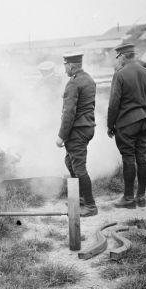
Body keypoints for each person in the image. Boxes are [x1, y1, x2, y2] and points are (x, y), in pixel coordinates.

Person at [107, 43, 146, 208]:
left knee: (128, 159)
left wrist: (110, 125)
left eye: (118, 57)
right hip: (143, 122)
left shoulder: (120, 74)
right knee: (141, 158)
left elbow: (114, 104)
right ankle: (141, 197)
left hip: (126, 124)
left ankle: (128, 199)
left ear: (122, 56)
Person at [56, 51, 97, 217]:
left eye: (65, 65)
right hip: (87, 127)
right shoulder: (88, 79)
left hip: (77, 130)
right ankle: (79, 197)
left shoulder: (73, 83)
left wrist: (61, 136)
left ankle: (90, 205)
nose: (65, 68)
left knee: (79, 168)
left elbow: (69, 112)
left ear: (71, 65)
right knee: (70, 162)